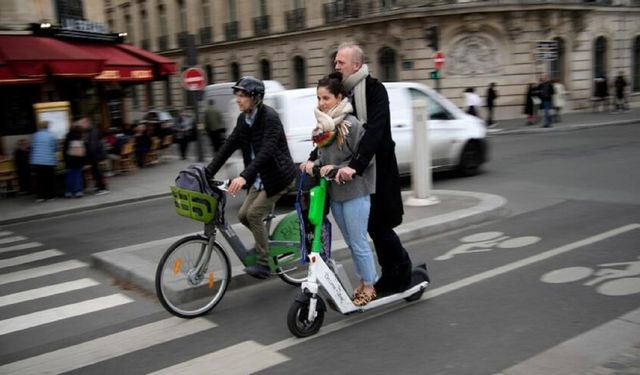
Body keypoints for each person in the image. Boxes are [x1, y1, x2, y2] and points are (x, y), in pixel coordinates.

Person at [302, 42, 413, 294]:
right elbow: (328, 134)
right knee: (369, 228)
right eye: (336, 61)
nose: (336, 65)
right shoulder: (341, 94)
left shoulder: (374, 90)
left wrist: (355, 166)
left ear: (356, 65)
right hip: (350, 172)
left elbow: (374, 132)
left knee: (380, 226)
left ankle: (401, 270)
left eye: (341, 62)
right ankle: (383, 276)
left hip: (377, 168)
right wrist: (312, 159)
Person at [205, 76, 297, 279]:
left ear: (256, 98)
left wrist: (243, 177)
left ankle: (264, 264)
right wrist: (207, 172)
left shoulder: (270, 118)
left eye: (243, 95)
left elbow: (266, 151)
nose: (238, 99)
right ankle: (264, 243)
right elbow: (228, 145)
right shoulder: (243, 119)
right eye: (237, 94)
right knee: (243, 215)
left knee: (254, 214)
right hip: (259, 177)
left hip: (278, 177)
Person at [309, 72, 378, 306]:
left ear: (339, 97)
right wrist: (312, 164)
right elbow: (324, 157)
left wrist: (336, 167)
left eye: (326, 98)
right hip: (336, 193)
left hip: (355, 192)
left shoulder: (351, 124)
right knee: (350, 242)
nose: (321, 103)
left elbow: (364, 159)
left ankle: (369, 285)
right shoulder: (324, 128)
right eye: (318, 98)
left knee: (358, 241)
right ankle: (363, 279)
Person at [79, 117, 109, 195]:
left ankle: (102, 188)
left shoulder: (93, 131)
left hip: (95, 155)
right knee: (96, 172)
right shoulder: (90, 131)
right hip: (95, 155)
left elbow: (93, 145)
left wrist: (89, 155)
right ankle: (100, 187)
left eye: (83, 124)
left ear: (87, 123)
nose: (82, 125)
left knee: (97, 172)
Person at [30, 120, 58, 202]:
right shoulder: (51, 135)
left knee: (39, 179)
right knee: (49, 179)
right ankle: (50, 196)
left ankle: (40, 196)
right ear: (47, 126)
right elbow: (54, 148)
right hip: (48, 160)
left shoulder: (35, 135)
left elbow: (33, 147)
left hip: (37, 160)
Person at [62, 124, 86, 198]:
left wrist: (65, 159)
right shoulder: (80, 137)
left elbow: (64, 150)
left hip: (69, 159)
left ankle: (68, 192)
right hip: (78, 159)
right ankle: (78, 191)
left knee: (69, 175)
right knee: (78, 175)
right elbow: (83, 150)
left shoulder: (67, 137)